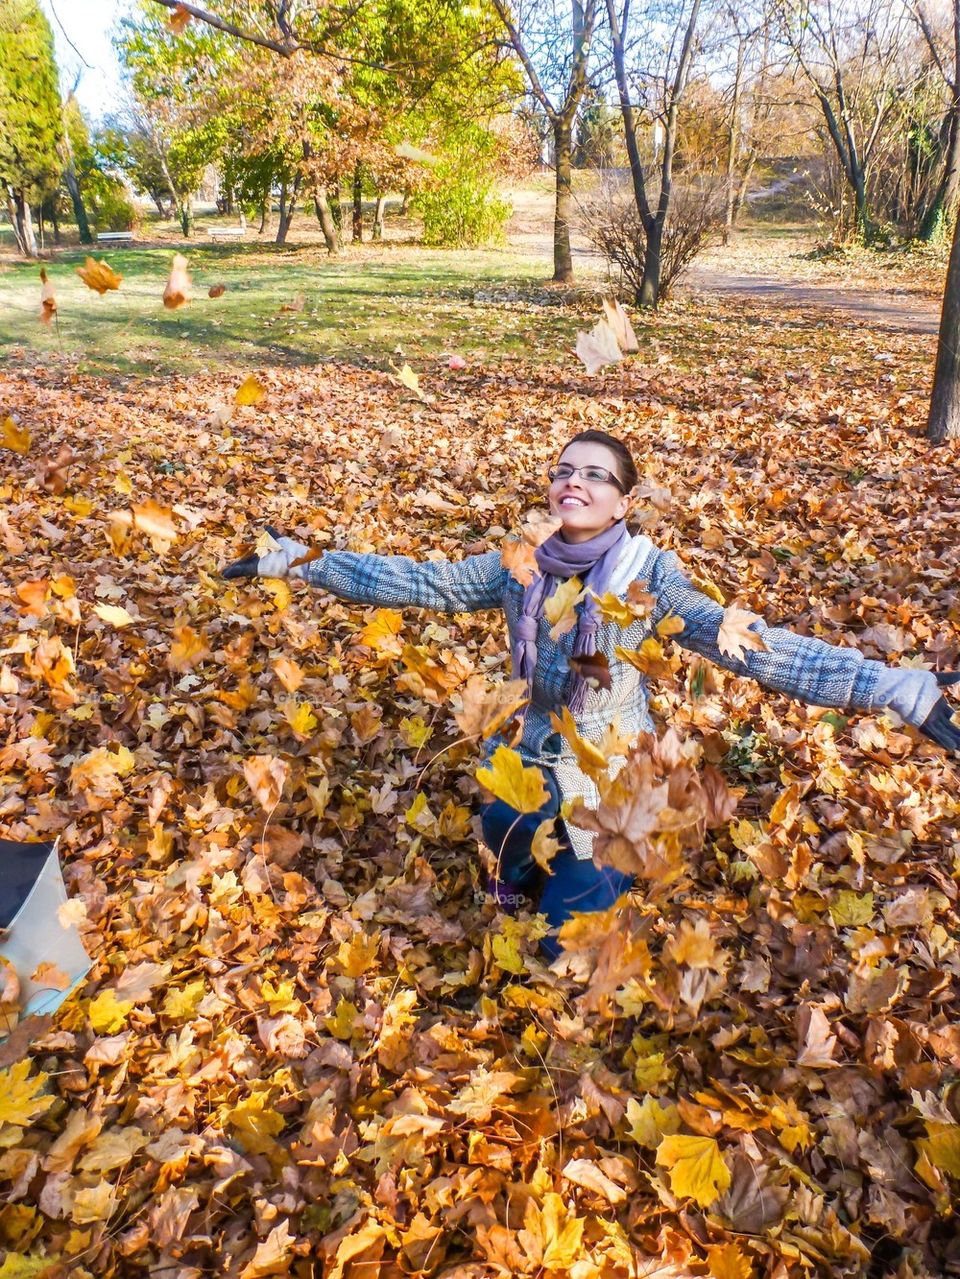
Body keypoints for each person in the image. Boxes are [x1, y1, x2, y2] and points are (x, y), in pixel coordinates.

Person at [222, 429, 960, 958]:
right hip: (524, 752)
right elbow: (416, 580)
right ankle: (514, 875)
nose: (573, 481)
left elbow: (754, 646)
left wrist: (895, 685)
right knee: (505, 850)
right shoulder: (521, 565)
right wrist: (294, 558)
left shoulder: (648, 578)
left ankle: (578, 912)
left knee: (559, 947)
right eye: (564, 470)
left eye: (595, 475)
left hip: (607, 781)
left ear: (624, 499)